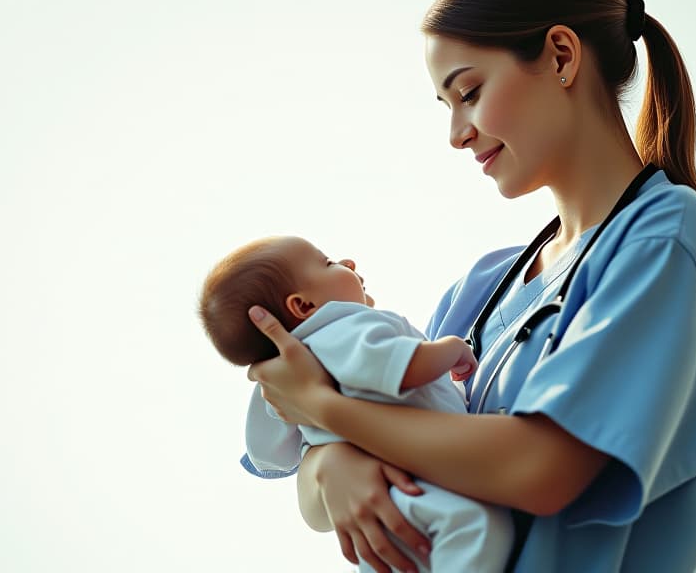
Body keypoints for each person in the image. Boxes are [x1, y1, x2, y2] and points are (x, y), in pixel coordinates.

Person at [245, 0, 696, 573]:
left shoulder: (668, 239)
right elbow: (336, 485)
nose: (457, 134)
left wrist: (322, 407)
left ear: (562, 56)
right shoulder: (482, 288)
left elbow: (542, 469)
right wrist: (331, 461)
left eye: (469, 92)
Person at [198, 235, 514, 572]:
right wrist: (450, 349)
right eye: (328, 263)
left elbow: (268, 455)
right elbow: (405, 367)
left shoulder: (282, 376)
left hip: (374, 509)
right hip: (415, 484)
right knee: (478, 529)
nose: (348, 262)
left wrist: (325, 447)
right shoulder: (346, 325)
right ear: (303, 306)